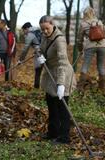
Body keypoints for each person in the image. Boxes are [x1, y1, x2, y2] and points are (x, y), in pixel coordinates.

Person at [39, 15, 76, 144]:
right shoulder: (44, 36)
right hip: (50, 75)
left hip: (62, 74)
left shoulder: (59, 40)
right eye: (42, 29)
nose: (44, 32)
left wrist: (61, 84)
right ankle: (52, 132)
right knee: (51, 105)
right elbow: (41, 49)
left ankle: (64, 137)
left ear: (52, 25)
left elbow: (62, 63)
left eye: (47, 29)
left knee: (62, 108)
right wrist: (40, 56)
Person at [77, 7, 105, 89]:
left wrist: (80, 49)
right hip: (102, 46)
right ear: (93, 13)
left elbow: (79, 39)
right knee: (101, 66)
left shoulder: (83, 24)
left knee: (85, 65)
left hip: (90, 46)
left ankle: (80, 88)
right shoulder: (99, 22)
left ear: (85, 14)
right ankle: (101, 88)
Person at [18, 22, 43, 88]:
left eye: (24, 30)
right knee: (44, 69)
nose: (24, 32)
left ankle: (36, 87)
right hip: (43, 53)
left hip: (39, 55)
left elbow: (25, 49)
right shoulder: (38, 31)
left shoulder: (30, 35)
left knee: (38, 70)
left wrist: (20, 60)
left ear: (27, 29)